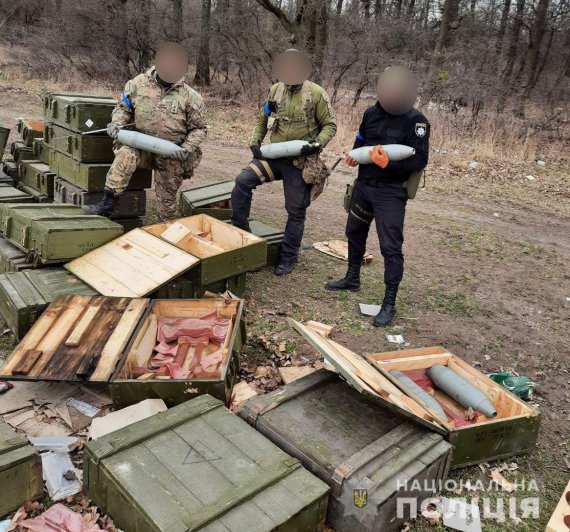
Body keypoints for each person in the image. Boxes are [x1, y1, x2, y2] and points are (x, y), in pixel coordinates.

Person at [325, 66, 430, 327]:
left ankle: (389, 303)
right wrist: (353, 155)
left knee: (390, 247)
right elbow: (361, 142)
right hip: (364, 186)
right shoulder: (371, 113)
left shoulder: (417, 122)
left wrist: (389, 166)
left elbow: (420, 160)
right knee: (354, 232)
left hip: (391, 193)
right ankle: (352, 278)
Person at [230, 49, 337, 276]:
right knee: (243, 181)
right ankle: (241, 238)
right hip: (273, 157)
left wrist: (317, 144)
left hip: (299, 162)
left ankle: (289, 257)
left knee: (296, 210)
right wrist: (254, 143)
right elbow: (262, 118)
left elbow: (330, 125)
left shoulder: (315, 93)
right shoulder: (275, 90)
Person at [87, 42, 207, 221]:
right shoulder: (138, 84)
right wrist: (116, 124)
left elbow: (200, 128)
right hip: (140, 146)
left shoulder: (191, 97)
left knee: (167, 206)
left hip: (171, 153)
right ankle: (107, 204)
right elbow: (123, 108)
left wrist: (188, 147)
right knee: (126, 154)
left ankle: (168, 229)